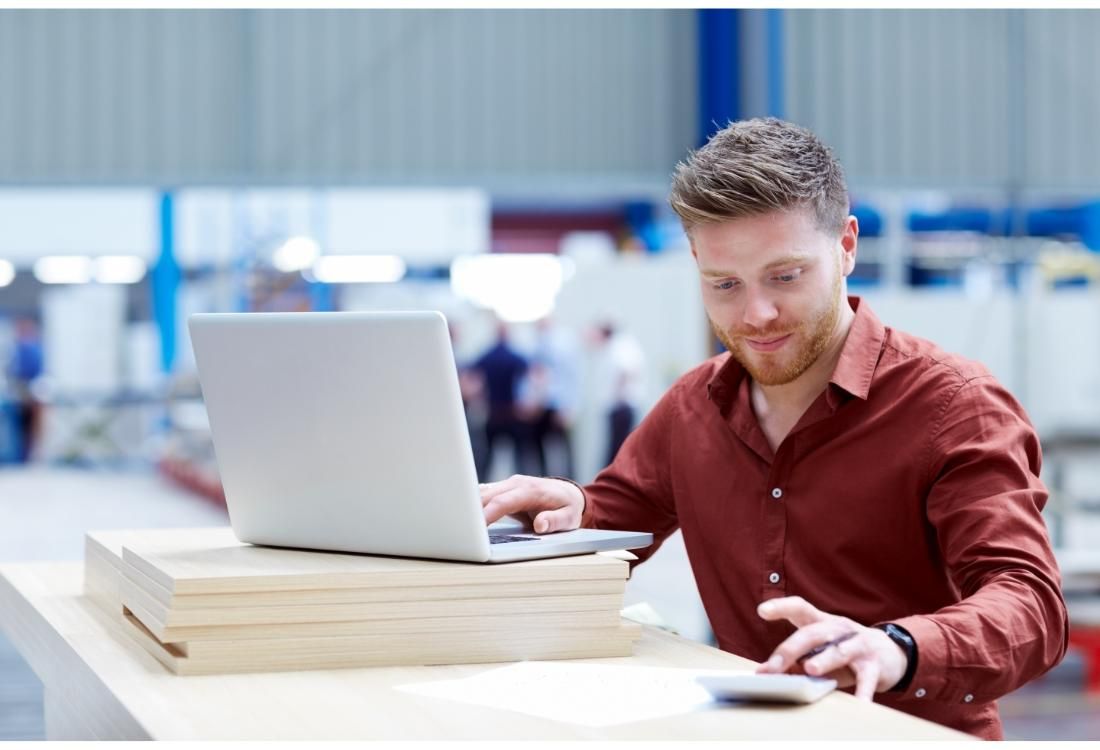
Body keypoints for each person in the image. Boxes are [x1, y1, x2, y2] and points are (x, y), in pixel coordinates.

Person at [479, 118, 1066, 739]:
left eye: (785, 277)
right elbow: (614, 521)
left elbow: (1030, 602)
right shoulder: (691, 408)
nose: (755, 315)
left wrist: (895, 649)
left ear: (846, 247)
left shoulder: (954, 407)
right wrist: (572, 510)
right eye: (724, 285)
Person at [470, 320, 530, 481]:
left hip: (493, 412)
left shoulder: (488, 355)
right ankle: (522, 487)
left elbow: (472, 374)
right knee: (518, 457)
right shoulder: (514, 356)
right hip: (511, 412)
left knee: (487, 458)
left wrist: (479, 395)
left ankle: (482, 486)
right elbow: (530, 373)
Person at [6, 317, 44, 463]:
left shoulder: (32, 349)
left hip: (30, 391)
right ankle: (22, 455)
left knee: (29, 426)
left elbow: (34, 371)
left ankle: (27, 456)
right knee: (21, 426)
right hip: (20, 392)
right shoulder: (17, 349)